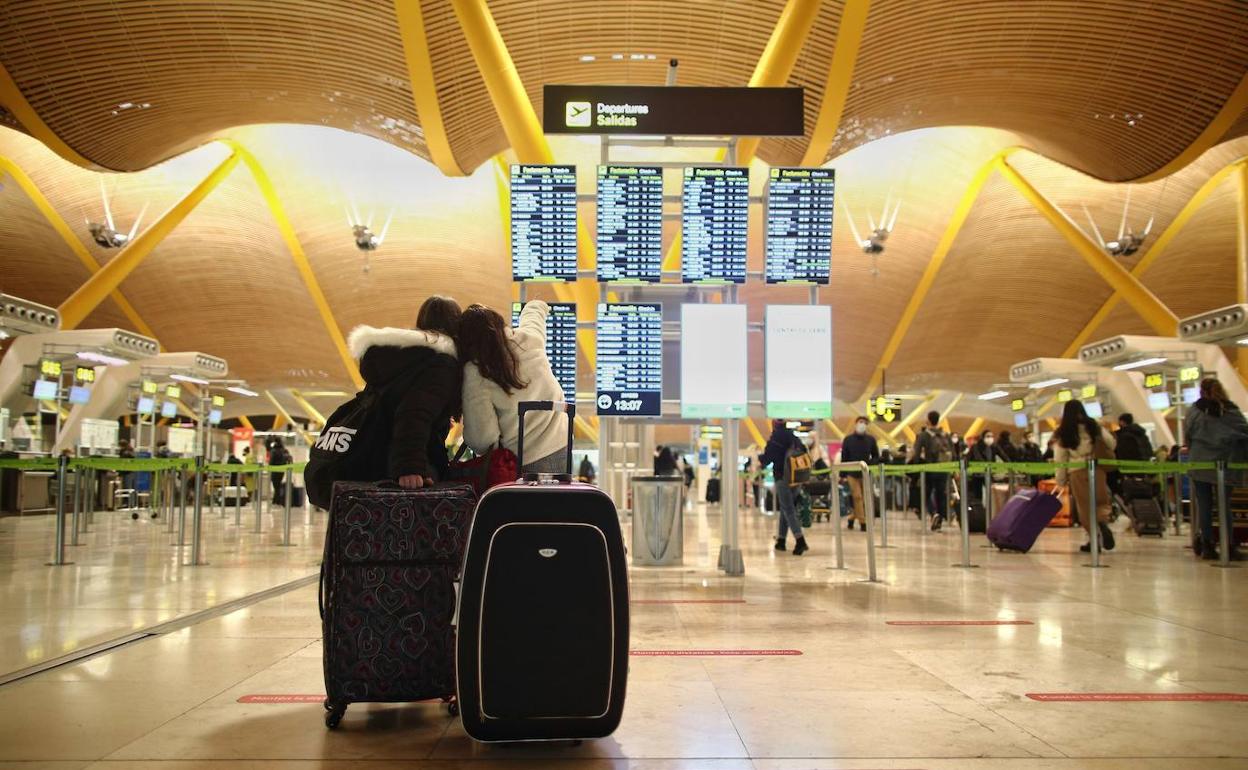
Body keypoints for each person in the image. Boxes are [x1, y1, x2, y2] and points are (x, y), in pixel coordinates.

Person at [347, 295, 463, 488]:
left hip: (374, 459)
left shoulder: (398, 360)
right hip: (409, 467)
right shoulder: (440, 362)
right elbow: (415, 414)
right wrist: (409, 467)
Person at [459, 301, 568, 475]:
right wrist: (536, 304)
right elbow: (534, 316)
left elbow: (483, 439)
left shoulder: (476, 371)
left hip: (519, 463)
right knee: (555, 502)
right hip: (562, 447)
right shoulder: (530, 339)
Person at [1184, 377, 1248, 561]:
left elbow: (1188, 434)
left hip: (1200, 463)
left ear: (1200, 391)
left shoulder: (1194, 411)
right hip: (1226, 462)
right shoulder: (1231, 410)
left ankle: (1208, 545)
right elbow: (1244, 431)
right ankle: (1228, 545)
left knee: (1204, 505)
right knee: (1224, 505)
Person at [1053, 400, 1116, 553]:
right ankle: (1102, 522)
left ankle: (1094, 539)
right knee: (1101, 501)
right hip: (1097, 468)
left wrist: (1060, 480)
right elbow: (1111, 443)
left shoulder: (1064, 431)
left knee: (1085, 508)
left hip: (1077, 471)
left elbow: (1060, 458)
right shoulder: (1094, 426)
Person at [759, 419, 808, 555]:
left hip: (783, 476)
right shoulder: (794, 437)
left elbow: (767, 458)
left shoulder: (775, 438)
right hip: (796, 477)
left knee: (788, 509)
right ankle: (781, 540)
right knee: (786, 508)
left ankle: (800, 541)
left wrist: (760, 459)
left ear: (774, 424)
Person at [910, 411, 954, 530]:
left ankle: (933, 513)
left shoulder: (923, 435)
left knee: (925, 493)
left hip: (929, 468)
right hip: (944, 469)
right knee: (941, 494)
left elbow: (917, 453)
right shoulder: (945, 434)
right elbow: (953, 453)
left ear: (928, 420)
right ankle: (940, 518)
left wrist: (914, 468)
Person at [840, 416, 879, 531]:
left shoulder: (871, 440)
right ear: (856, 424)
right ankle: (863, 522)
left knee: (865, 498)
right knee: (857, 497)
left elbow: (876, 455)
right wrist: (842, 474)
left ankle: (852, 518)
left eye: (865, 423)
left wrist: (870, 463)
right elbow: (844, 457)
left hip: (865, 472)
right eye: (860, 422)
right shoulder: (848, 440)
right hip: (852, 472)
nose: (862, 424)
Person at [967, 430, 1009, 507]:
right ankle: (979, 512)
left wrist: (1011, 465)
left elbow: (1004, 456)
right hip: (977, 474)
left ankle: (990, 510)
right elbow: (968, 459)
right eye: (987, 436)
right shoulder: (975, 447)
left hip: (988, 474)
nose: (990, 438)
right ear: (983, 437)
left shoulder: (994, 447)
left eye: (991, 436)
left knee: (990, 494)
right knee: (978, 496)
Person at [267, 437, 292, 504]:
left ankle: (277, 500)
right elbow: (289, 458)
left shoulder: (274, 450)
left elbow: (271, 461)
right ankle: (276, 500)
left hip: (274, 470)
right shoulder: (284, 450)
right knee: (278, 485)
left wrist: (269, 467)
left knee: (276, 486)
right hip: (281, 470)